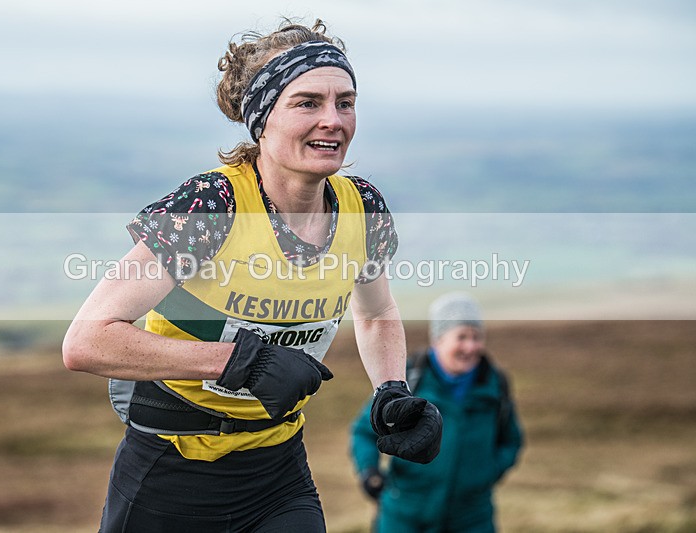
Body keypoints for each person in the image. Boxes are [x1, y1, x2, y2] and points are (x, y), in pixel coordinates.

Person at [62, 19, 442, 532]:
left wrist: (391, 391)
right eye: (307, 103)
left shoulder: (362, 208)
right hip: (170, 472)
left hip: (278, 472)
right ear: (262, 118)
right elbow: (87, 342)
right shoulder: (209, 207)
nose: (333, 120)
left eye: (345, 102)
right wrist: (239, 361)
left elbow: (375, 314)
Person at [350, 292, 524, 533]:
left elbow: (511, 441)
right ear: (438, 340)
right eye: (461, 337)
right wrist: (369, 472)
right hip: (405, 515)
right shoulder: (408, 381)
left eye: (477, 337)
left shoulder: (495, 386)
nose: (471, 346)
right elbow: (363, 432)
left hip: (472, 517)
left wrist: (485, 473)